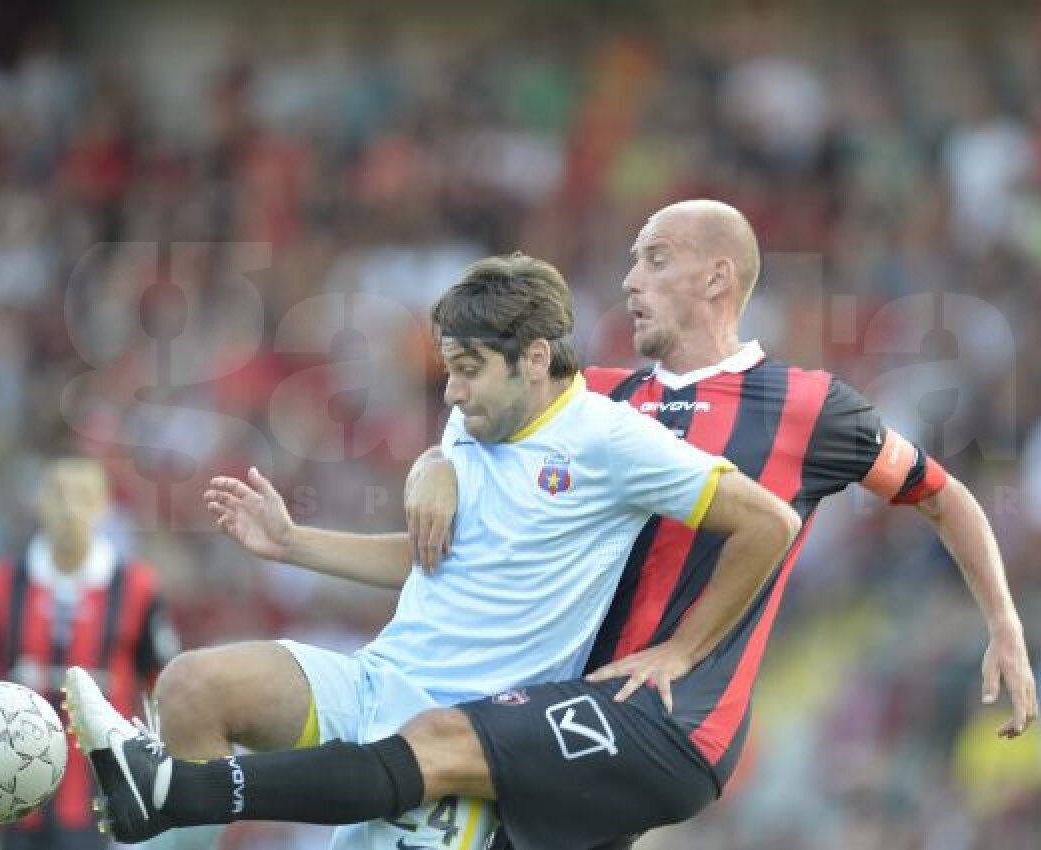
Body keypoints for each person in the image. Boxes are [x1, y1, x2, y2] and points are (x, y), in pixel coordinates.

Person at [68, 199, 1039, 850]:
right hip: (534, 702)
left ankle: (183, 793)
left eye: (653, 259)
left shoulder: (804, 407)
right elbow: (475, 452)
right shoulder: (587, 396)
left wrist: (1002, 622)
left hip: (640, 713)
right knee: (216, 693)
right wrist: (430, 463)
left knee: (427, 754)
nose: (629, 279)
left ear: (717, 278)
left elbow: (935, 494)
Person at [61, 251, 800, 849]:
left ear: (534, 358)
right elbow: (435, 558)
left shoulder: (613, 441)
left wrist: (682, 652)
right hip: (378, 680)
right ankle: (159, 807)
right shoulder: (471, 423)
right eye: (449, 367)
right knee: (193, 686)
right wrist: (291, 543)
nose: (450, 392)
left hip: (464, 735)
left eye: (468, 368)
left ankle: (170, 794)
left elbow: (769, 523)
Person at [0, 457, 178, 850]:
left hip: (102, 795)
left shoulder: (137, 588)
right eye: (57, 495)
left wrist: (164, 772)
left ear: (103, 506)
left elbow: (165, 686)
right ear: (38, 502)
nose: (69, 508)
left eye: (82, 496)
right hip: (10, 787)